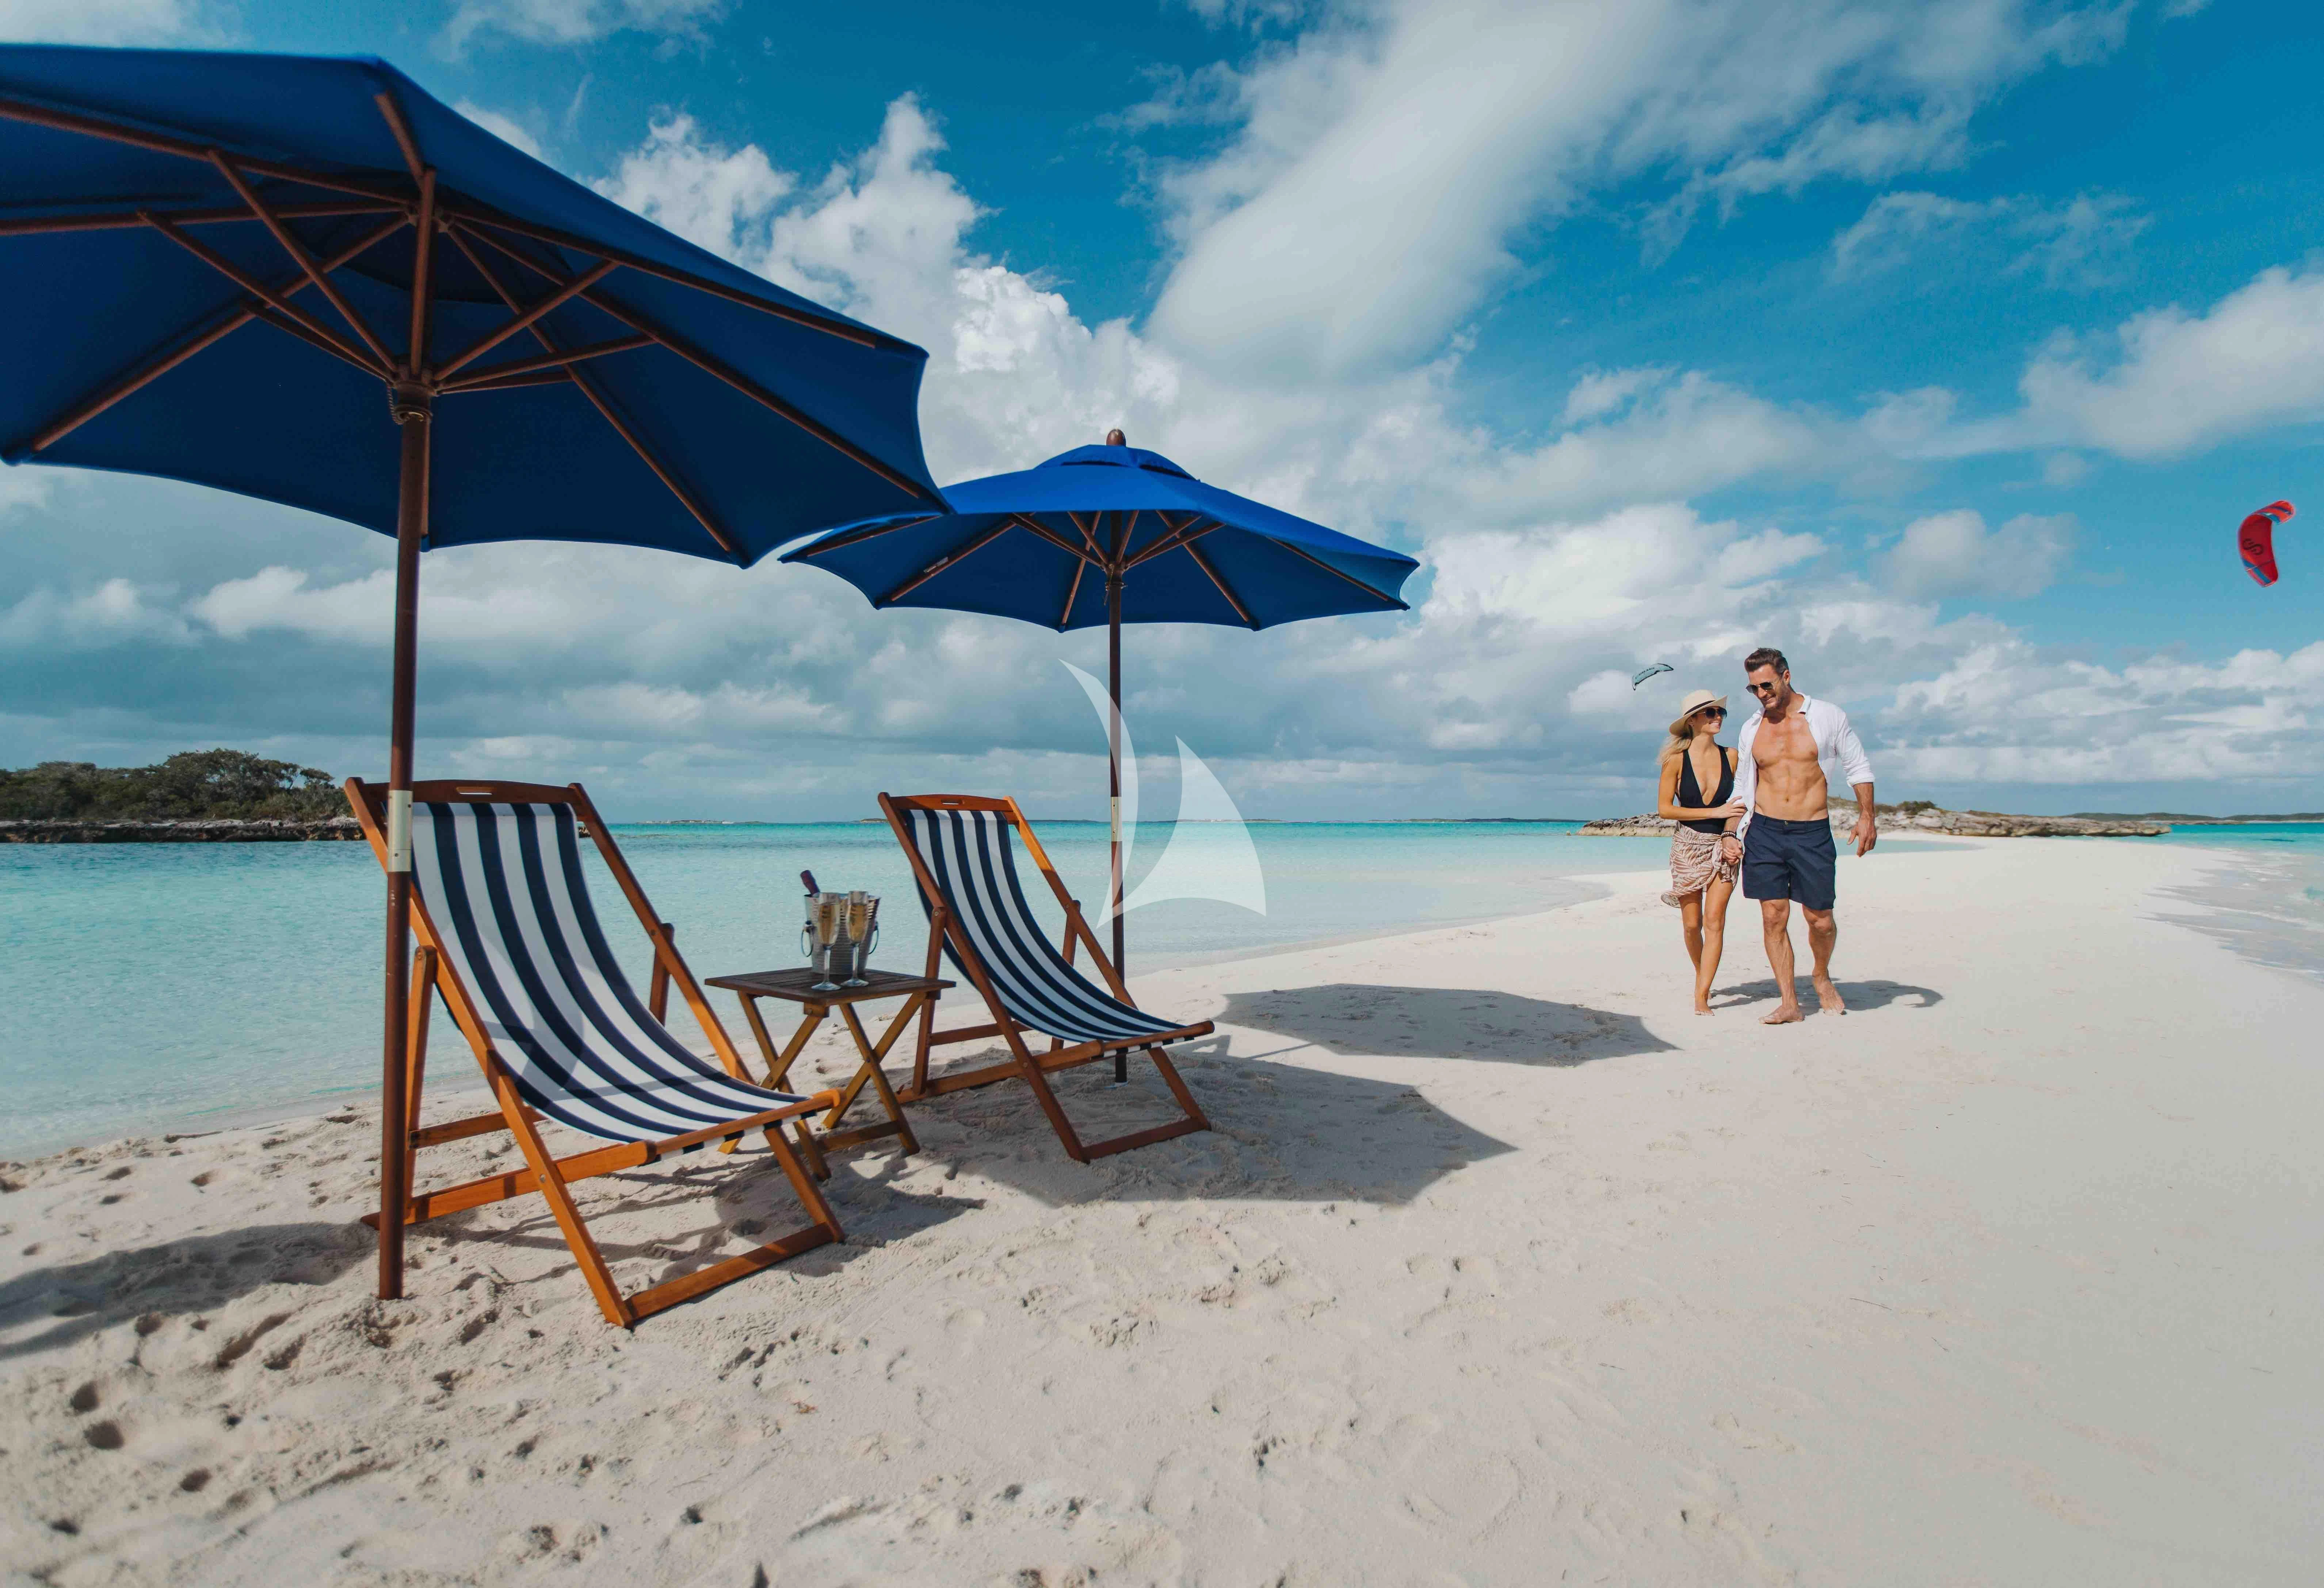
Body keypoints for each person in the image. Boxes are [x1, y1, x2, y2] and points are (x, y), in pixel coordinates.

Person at [1733, 647, 1875, 1023]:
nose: (1761, 694)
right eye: (1753, 688)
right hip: (1764, 831)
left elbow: (1858, 767)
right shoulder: (1751, 728)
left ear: (1786, 676)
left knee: (1820, 919)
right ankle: (1789, 1003)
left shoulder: (1827, 716)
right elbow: (1742, 786)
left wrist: (1867, 816)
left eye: (1766, 685)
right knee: (1773, 916)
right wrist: (1731, 832)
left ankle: (1821, 975)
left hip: (1811, 831)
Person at [1654, 689, 1745, 1014]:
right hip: (1687, 847)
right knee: (1692, 925)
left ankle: (1701, 994)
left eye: (1720, 713)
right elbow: (1665, 809)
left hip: (1723, 846)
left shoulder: (1732, 756)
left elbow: (1740, 802)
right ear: (1692, 720)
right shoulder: (1675, 761)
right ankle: (1701, 973)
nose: (1717, 717)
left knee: (1714, 921)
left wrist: (1730, 833)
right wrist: (1713, 812)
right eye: (1710, 713)